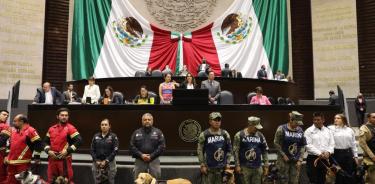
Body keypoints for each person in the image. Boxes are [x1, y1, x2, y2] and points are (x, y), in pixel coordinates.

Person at [44, 108, 82, 183]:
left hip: (64, 161)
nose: (64, 117)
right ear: (57, 117)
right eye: (62, 115)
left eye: (66, 115)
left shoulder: (71, 128)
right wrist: (48, 151)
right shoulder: (51, 129)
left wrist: (68, 151)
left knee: (66, 181)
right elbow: (45, 142)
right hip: (52, 160)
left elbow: (79, 141)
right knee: (51, 181)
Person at [5, 114, 43, 184]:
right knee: (10, 181)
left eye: (15, 121)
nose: (13, 123)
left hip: (23, 163)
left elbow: (38, 143)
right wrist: (7, 155)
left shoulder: (31, 130)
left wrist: (37, 157)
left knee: (24, 182)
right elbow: (9, 145)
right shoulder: (14, 131)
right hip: (11, 162)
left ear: (21, 121)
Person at [197, 112, 232, 184]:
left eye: (219, 120)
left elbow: (229, 149)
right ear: (210, 121)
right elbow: (200, 150)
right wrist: (202, 164)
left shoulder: (225, 134)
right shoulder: (204, 134)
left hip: (222, 169)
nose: (217, 122)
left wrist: (228, 163)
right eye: (215, 120)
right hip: (209, 169)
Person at [233, 116, 269, 184]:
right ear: (250, 125)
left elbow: (264, 151)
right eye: (255, 127)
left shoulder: (260, 135)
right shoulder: (239, 135)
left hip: (257, 168)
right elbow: (235, 151)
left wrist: (266, 166)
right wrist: (237, 165)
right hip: (244, 168)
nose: (257, 129)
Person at [129, 113, 165, 179]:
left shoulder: (158, 132)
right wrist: (141, 155)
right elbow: (131, 146)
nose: (147, 121)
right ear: (142, 121)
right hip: (140, 161)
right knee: (138, 181)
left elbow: (162, 147)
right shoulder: (136, 132)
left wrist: (151, 156)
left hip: (154, 160)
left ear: (152, 121)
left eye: (149, 119)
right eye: (145, 120)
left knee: (155, 181)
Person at [273, 111, 306, 184]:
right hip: (283, 160)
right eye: (296, 123)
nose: (297, 125)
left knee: (294, 181)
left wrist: (300, 159)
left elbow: (303, 145)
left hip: (295, 161)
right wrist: (283, 155)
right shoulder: (281, 128)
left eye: (298, 123)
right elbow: (276, 143)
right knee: (282, 180)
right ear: (291, 120)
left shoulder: (300, 130)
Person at [305, 112, 335, 184]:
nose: (316, 121)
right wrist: (320, 153)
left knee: (324, 180)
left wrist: (328, 152)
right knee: (313, 180)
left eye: (318, 120)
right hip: (313, 159)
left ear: (323, 120)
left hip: (325, 159)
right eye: (314, 120)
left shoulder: (328, 131)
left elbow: (332, 144)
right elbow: (308, 145)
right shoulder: (308, 131)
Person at [328, 114, 358, 184]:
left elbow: (353, 144)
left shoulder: (350, 130)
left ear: (343, 120)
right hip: (336, 154)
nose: (336, 119)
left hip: (348, 153)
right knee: (338, 174)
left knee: (349, 173)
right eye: (335, 118)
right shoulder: (330, 129)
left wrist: (356, 156)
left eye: (338, 118)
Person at [91, 119, 119, 184]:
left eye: (106, 125)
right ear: (100, 126)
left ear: (109, 126)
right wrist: (96, 160)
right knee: (97, 181)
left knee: (110, 181)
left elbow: (115, 150)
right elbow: (92, 150)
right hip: (97, 163)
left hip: (110, 162)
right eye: (102, 125)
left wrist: (106, 161)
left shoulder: (113, 136)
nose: (104, 126)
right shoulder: (96, 136)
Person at [358, 113, 375, 184]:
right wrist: (372, 156)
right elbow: (363, 144)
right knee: (372, 179)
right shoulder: (364, 128)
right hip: (370, 159)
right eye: (374, 117)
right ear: (369, 118)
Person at [0, 110, 10, 183]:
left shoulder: (6, 126)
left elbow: (2, 141)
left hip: (1, 153)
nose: (6, 116)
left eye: (7, 115)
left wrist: (7, 155)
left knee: (2, 174)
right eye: (4, 114)